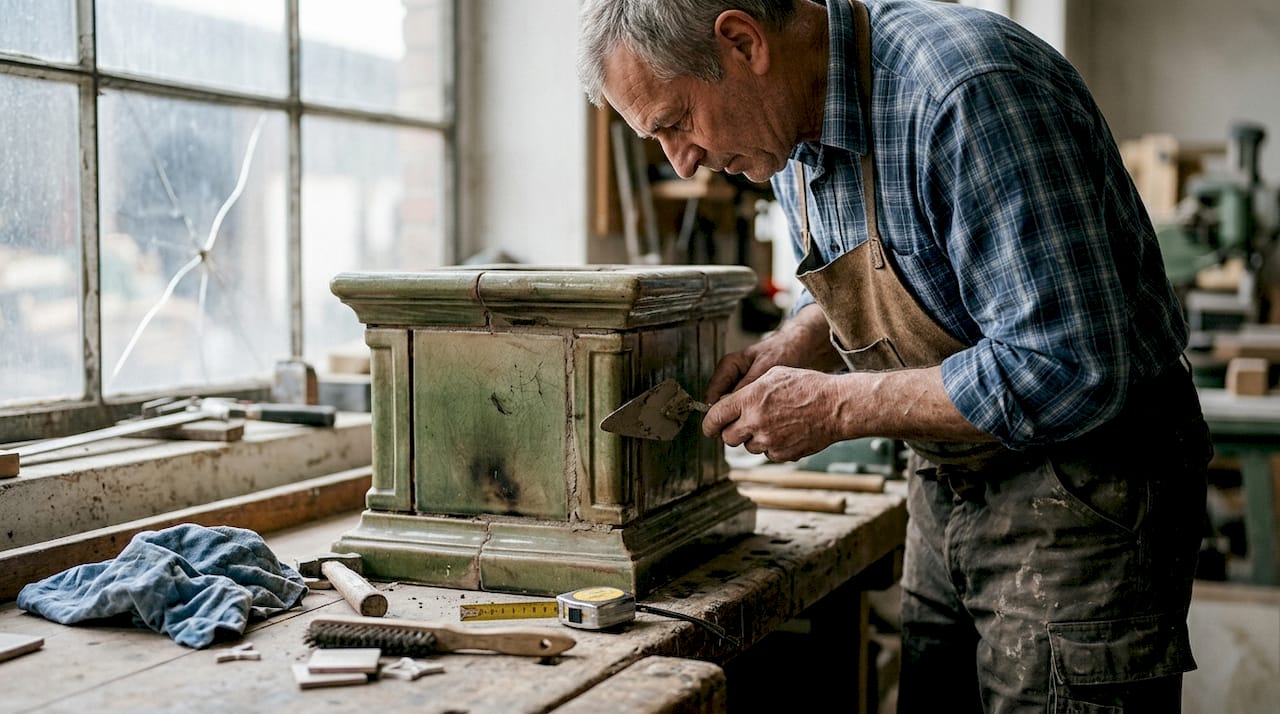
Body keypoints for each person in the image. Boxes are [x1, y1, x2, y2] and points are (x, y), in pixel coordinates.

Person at [576, 1, 1213, 711]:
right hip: (946, 481)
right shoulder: (784, 131)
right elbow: (908, 269)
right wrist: (801, 341)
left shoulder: (967, 91)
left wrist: (836, 406)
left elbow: (1066, 367)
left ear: (741, 42)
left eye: (676, 122)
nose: (682, 158)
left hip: (1086, 491)